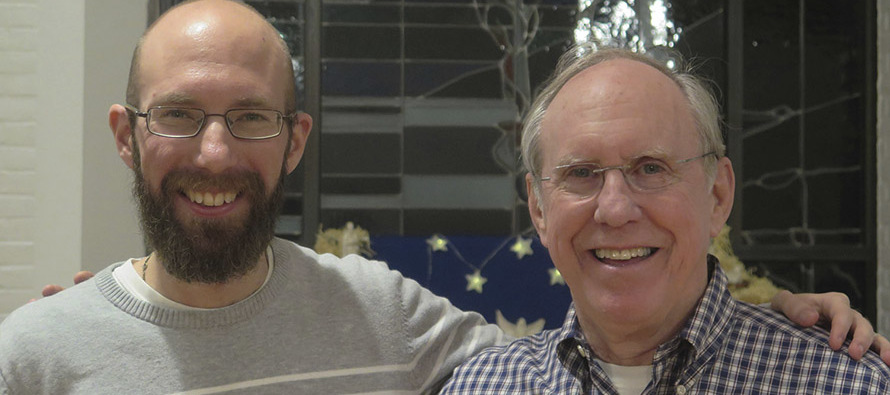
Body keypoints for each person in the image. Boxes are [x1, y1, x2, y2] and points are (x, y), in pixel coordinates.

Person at [0, 1, 883, 393]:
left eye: (252, 117)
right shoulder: (34, 355)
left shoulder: (390, 322)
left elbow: (638, 317)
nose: (217, 151)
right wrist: (82, 323)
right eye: (181, 116)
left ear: (295, 140)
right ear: (127, 134)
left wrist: (775, 310)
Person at [441, 45, 890, 393]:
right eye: (581, 173)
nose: (615, 210)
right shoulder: (479, 386)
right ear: (539, 209)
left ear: (717, 196)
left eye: (650, 168)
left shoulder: (851, 384)